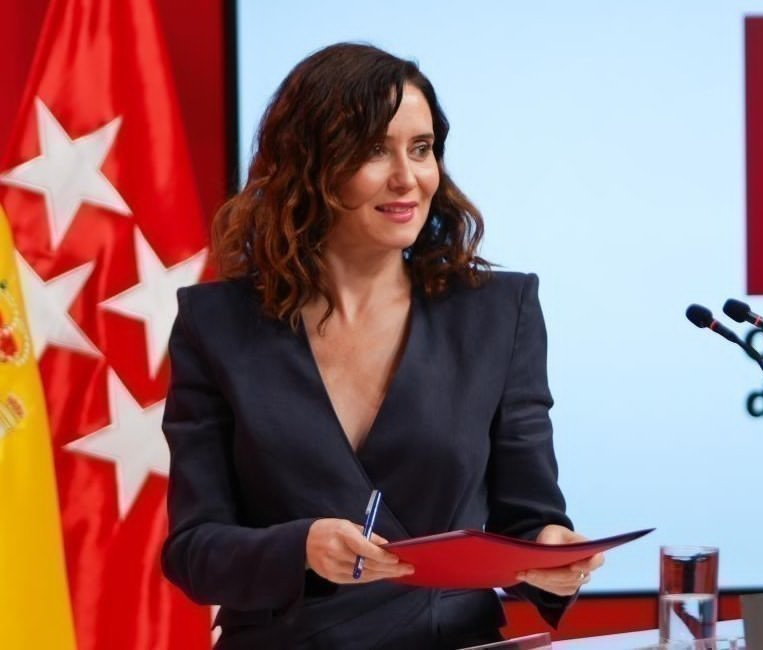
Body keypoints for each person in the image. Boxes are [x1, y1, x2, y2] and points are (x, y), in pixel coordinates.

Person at [161, 42, 602, 649]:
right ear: (310, 165)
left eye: (421, 149)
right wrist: (301, 547)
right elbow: (194, 551)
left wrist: (551, 551)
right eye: (374, 150)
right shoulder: (216, 325)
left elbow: (529, 520)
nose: (407, 177)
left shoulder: (501, 311)